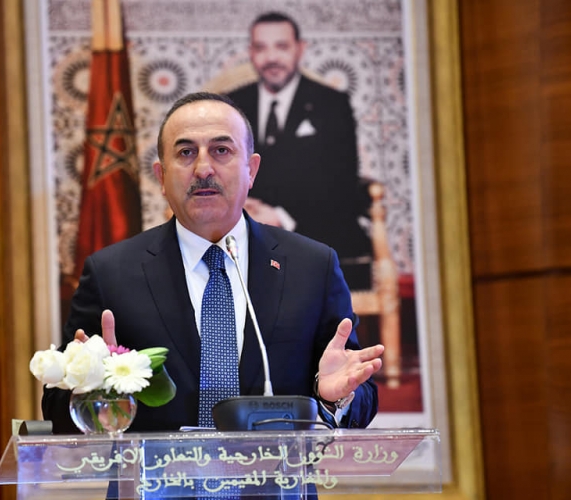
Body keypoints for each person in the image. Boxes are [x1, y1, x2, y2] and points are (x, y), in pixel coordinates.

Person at [42, 92, 383, 435]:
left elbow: (358, 388)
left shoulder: (312, 268)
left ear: (251, 170)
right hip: (154, 472)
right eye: (186, 153)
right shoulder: (110, 274)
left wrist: (335, 397)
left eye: (221, 150)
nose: (203, 169)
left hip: (276, 470)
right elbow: (56, 407)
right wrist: (94, 391)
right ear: (161, 176)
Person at [227, 12, 373, 290]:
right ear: (251, 53)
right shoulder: (232, 104)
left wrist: (280, 217)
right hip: (247, 231)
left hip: (317, 230)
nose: (271, 57)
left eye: (281, 46)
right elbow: (225, 169)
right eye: (261, 48)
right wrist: (246, 210)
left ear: (300, 49)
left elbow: (342, 181)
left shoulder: (332, 104)